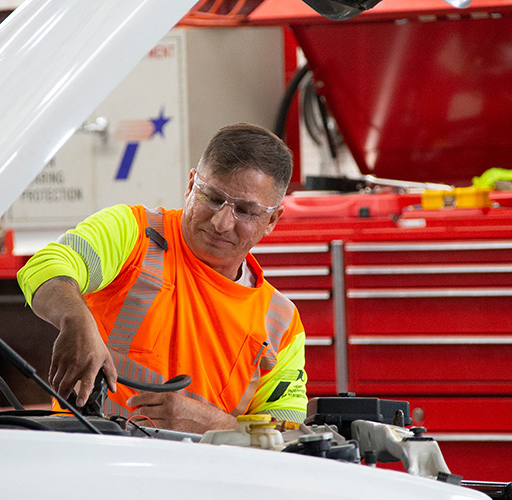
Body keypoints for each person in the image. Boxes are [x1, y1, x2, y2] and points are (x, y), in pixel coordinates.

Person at [17, 123, 308, 433]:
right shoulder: (133, 233)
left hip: (204, 475)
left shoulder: (280, 323)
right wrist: (76, 319)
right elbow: (45, 266)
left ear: (272, 220)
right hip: (95, 458)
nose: (222, 222)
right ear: (191, 184)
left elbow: (290, 440)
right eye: (211, 197)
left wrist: (216, 426)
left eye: (246, 211)